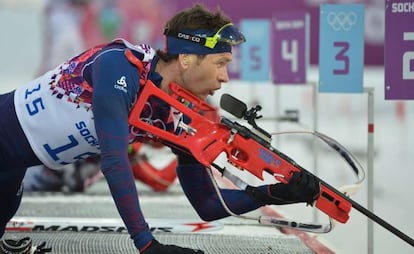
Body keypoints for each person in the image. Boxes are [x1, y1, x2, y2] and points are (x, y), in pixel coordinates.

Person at [0, 3, 320, 253]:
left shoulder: (170, 116)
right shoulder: (120, 65)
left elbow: (208, 205)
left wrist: (276, 193)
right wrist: (146, 244)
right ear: (186, 59)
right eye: (220, 63)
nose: (225, 77)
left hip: (11, 170)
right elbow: (114, 161)